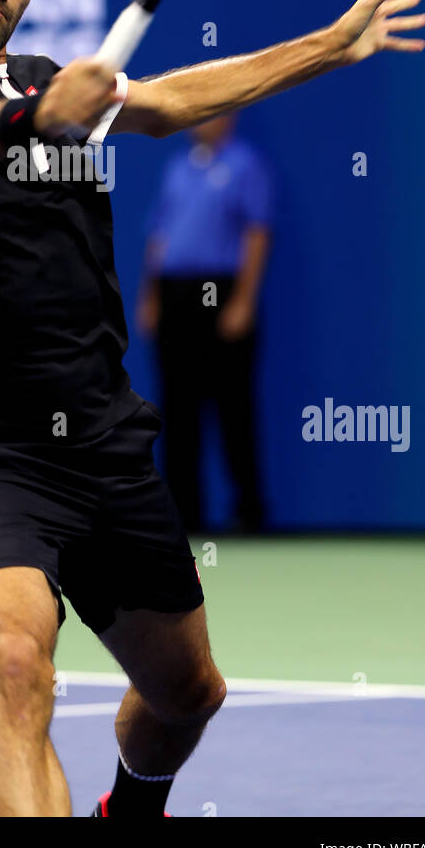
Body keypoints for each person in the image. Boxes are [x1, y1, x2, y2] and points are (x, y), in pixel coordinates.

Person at [0, 0, 425, 818]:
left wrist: (329, 45)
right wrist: (33, 115)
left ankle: (133, 809)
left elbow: (177, 100)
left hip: (104, 441)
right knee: (18, 661)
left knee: (191, 693)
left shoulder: (49, 80)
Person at [137, 114, 272, 534]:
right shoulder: (178, 166)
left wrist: (244, 302)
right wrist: (152, 295)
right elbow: (160, 235)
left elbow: (257, 233)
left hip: (221, 296)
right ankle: (183, 516)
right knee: (178, 411)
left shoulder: (245, 164)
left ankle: (249, 514)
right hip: (175, 297)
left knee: (233, 409)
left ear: (228, 116)